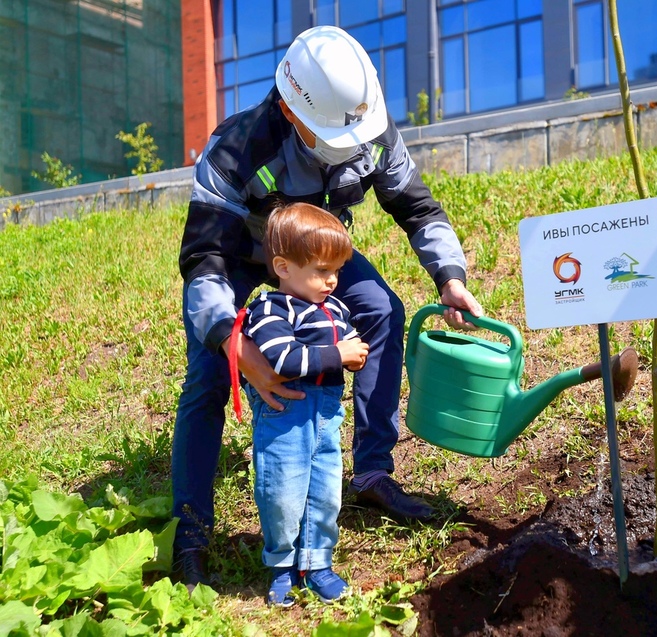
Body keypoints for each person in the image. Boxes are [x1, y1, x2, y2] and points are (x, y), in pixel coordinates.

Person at [172, 24, 483, 589]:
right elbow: (204, 261)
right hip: (240, 260)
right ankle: (190, 534)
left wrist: (450, 276)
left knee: (382, 310)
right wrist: (235, 343)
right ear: (293, 112)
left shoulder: (372, 129)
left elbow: (417, 208)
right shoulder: (236, 149)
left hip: (316, 260)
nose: (352, 150)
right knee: (208, 375)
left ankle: (371, 472)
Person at [239, 202, 367, 607]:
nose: (331, 281)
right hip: (286, 416)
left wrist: (353, 352)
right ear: (283, 267)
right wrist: (341, 354)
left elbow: (348, 346)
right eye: (321, 271)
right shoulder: (270, 308)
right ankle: (282, 564)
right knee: (283, 490)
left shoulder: (335, 309)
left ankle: (316, 563)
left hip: (327, 414)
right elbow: (284, 360)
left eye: (336, 271)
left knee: (325, 491)